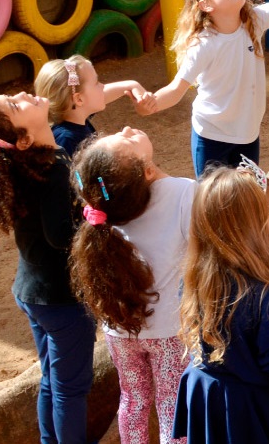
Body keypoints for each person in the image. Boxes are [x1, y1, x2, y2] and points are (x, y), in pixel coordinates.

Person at [0, 94, 94, 444]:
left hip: (32, 293)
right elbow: (61, 237)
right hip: (61, 301)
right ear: (23, 139)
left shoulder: (24, 165)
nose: (24, 95)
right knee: (71, 390)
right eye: (15, 106)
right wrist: (95, 221)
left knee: (52, 380)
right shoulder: (52, 168)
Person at [171, 162, 269, 444]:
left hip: (208, 396)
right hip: (248, 412)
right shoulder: (267, 295)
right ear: (252, 228)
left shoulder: (193, 278)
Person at [68, 127, 196, 444]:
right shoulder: (184, 193)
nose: (127, 129)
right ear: (148, 171)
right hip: (169, 332)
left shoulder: (106, 203)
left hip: (119, 329)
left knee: (133, 400)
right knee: (172, 404)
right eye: (127, 140)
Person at [137, 0, 269, 175]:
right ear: (205, 5)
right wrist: (151, 104)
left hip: (248, 135)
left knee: (246, 198)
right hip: (211, 137)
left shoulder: (255, 21)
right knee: (213, 200)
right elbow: (176, 89)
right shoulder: (203, 44)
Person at [33, 55, 148, 155]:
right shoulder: (66, 140)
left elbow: (103, 94)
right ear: (79, 99)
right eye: (97, 83)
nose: (103, 86)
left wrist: (130, 85)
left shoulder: (75, 117)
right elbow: (72, 179)